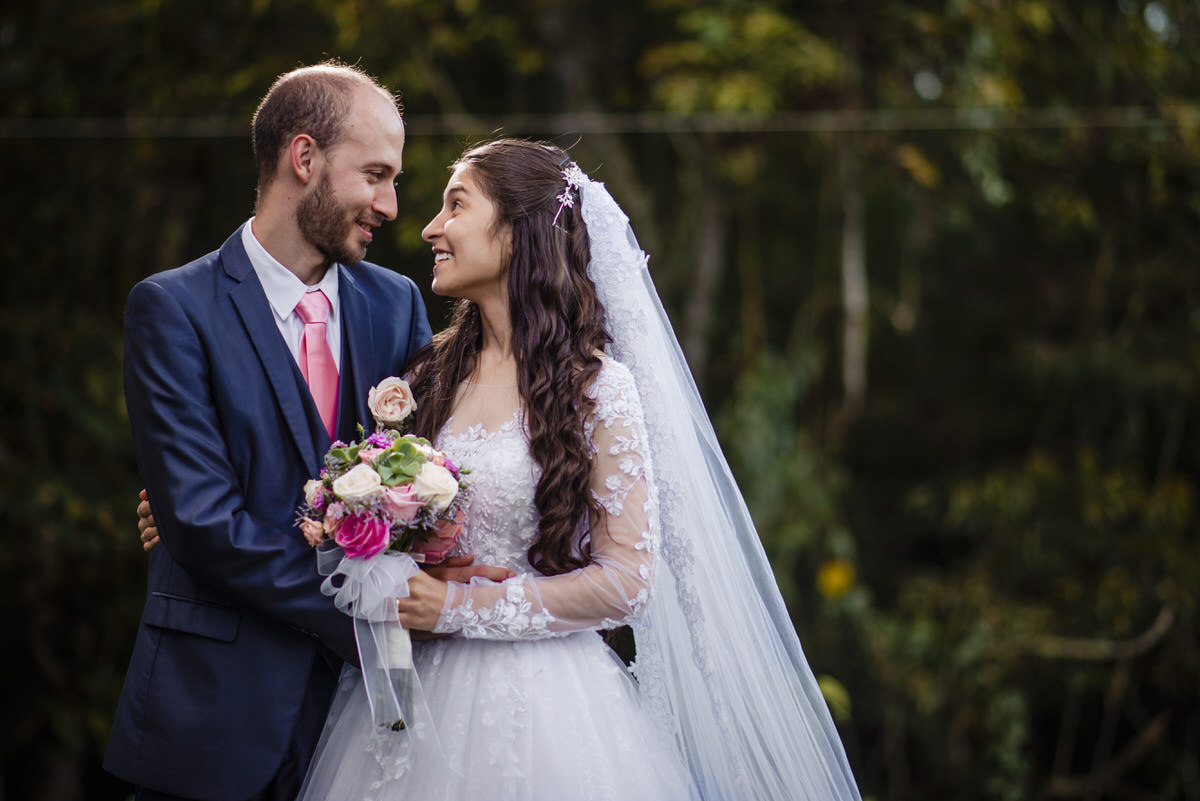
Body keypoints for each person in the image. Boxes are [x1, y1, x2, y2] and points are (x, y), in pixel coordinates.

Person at [291, 139, 864, 800]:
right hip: (412, 699)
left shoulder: (597, 390)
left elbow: (625, 583)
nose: (430, 228)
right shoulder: (427, 375)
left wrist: (456, 604)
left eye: (456, 205)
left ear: (517, 231)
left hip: (547, 711)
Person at [106, 61, 506, 801]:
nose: (391, 205)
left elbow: (431, 484)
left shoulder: (396, 305)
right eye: (377, 175)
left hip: (363, 724)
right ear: (305, 157)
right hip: (213, 716)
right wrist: (380, 611)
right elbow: (199, 520)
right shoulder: (173, 309)